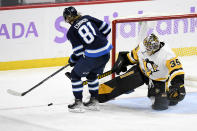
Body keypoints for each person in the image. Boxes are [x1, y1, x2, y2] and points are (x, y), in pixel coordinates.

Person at [100, 33, 186, 110]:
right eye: (146, 47)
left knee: (161, 106)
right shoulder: (142, 46)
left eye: (148, 49)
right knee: (121, 83)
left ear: (155, 48)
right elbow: (132, 57)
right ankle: (96, 94)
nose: (145, 50)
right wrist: (123, 61)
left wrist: (178, 85)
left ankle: (168, 99)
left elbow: (177, 71)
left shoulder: (168, 55)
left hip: (159, 80)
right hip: (141, 72)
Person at [63, 6, 112, 112]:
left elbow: (79, 52)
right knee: (92, 75)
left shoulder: (71, 32)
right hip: (106, 52)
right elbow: (107, 28)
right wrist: (98, 39)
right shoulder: (87, 17)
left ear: (66, 19)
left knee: (75, 75)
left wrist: (72, 60)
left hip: (94, 56)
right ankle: (94, 102)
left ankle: (78, 103)